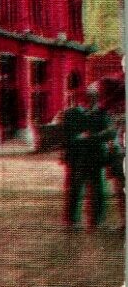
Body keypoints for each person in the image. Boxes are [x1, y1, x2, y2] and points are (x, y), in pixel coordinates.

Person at [60, 78, 111, 229]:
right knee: (74, 189)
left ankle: (97, 220)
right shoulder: (70, 114)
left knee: (98, 190)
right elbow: (65, 136)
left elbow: (110, 133)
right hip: (77, 158)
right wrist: (81, 138)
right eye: (88, 97)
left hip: (96, 158)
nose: (91, 100)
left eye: (94, 97)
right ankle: (71, 220)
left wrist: (91, 137)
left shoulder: (102, 114)